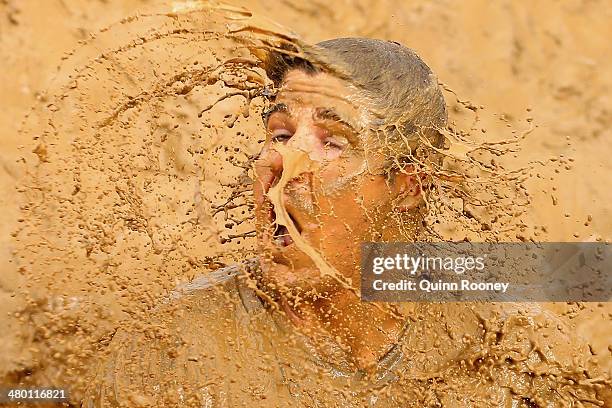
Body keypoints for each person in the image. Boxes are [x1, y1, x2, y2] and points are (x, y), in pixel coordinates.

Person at [86, 38, 609, 407]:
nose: (283, 167)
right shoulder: (168, 351)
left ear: (409, 186)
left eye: (332, 142)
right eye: (281, 133)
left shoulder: (490, 324)